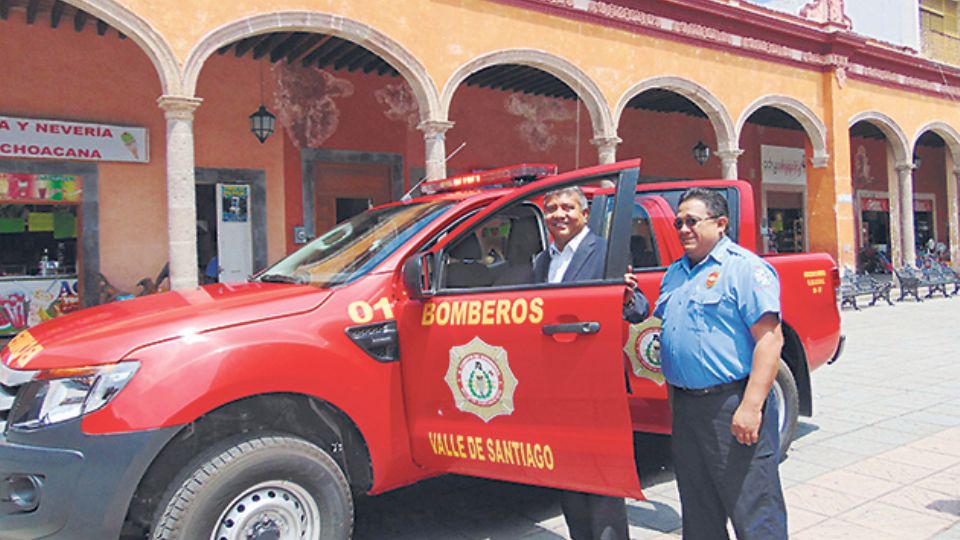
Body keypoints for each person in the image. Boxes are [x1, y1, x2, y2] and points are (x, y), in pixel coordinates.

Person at [653, 187, 787, 539]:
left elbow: (770, 340)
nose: (683, 229)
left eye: (692, 221)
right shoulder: (676, 273)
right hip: (687, 407)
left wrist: (751, 406)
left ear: (721, 223)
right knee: (699, 512)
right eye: (678, 222)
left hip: (730, 404)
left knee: (754, 509)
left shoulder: (744, 269)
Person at [531, 185, 648, 540]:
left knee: (603, 480)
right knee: (569, 476)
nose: (559, 214)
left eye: (568, 207)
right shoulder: (541, 261)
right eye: (552, 208)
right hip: (557, 385)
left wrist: (627, 297)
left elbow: (640, 309)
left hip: (598, 385)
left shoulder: (607, 252)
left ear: (584, 213)